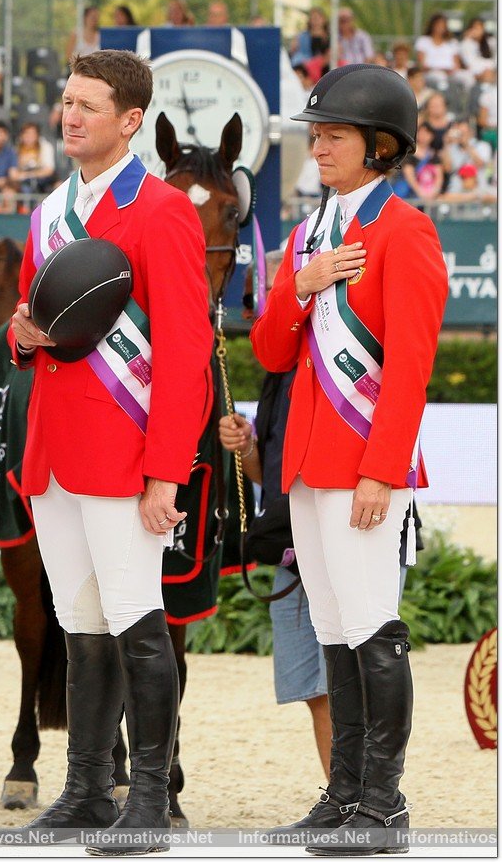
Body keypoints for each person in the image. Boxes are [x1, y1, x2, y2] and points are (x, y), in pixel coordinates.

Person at [5, 49, 212, 853]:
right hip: (54, 455)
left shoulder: (162, 210)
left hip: (127, 457)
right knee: (81, 625)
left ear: (130, 121)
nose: (70, 115)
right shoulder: (48, 210)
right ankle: (88, 788)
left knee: (137, 622)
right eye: (65, 101)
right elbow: (32, 325)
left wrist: (168, 468)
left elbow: (188, 346)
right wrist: (22, 340)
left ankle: (151, 797)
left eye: (87, 105)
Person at [251, 63, 448, 852]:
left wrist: (381, 467)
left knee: (371, 628)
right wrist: (300, 284)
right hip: (305, 463)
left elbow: (408, 363)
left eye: (333, 135)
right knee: (334, 631)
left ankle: (386, 803)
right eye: (317, 134)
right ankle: (342, 795)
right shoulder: (308, 236)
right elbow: (269, 347)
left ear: (379, 145)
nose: (319, 146)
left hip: (365, 463)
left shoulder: (407, 230)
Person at [217, 268, 336, 796]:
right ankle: (341, 797)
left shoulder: (336, 353)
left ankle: (369, 800)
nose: (255, 316)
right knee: (317, 687)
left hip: (341, 534)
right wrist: (245, 448)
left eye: (258, 304)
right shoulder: (277, 376)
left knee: (353, 678)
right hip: (292, 541)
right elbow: (273, 475)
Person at [10, 121, 57, 200]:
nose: (29, 137)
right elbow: (13, 174)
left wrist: (29, 175)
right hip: (23, 183)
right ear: (21, 135)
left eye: (32, 134)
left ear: (37, 135)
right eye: (26, 134)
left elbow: (49, 171)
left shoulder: (45, 146)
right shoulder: (16, 148)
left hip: (44, 181)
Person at [415, 13, 460, 89]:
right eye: (438, 25)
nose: (440, 27)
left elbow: (457, 64)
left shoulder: (452, 42)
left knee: (466, 77)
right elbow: (421, 64)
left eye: (443, 25)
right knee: (440, 77)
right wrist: (438, 69)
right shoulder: (423, 41)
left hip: (450, 73)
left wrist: (451, 71)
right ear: (432, 25)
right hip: (431, 72)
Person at [292, 8, 332, 80]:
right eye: (313, 18)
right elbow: (296, 53)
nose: (315, 21)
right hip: (306, 65)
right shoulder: (302, 36)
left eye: (317, 18)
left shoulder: (330, 37)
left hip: (324, 66)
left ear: (324, 20)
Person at [457, 16, 495, 86]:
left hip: (490, 72)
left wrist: (489, 68)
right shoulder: (466, 43)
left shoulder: (491, 42)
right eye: (475, 28)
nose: (477, 31)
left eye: (480, 28)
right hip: (475, 74)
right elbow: (470, 63)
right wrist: (467, 39)